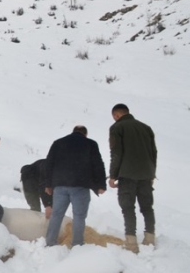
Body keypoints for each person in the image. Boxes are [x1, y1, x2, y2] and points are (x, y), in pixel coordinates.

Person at [43, 125, 107, 247]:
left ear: (73, 132)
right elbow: (98, 164)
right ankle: (77, 244)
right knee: (79, 216)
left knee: (56, 214)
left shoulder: (58, 143)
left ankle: (50, 242)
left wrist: (48, 184)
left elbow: (49, 163)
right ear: (85, 134)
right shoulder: (90, 144)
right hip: (80, 185)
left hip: (60, 185)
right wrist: (101, 184)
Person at [108, 103, 158, 253]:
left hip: (127, 174)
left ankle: (131, 243)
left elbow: (116, 153)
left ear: (116, 115)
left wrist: (113, 175)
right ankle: (150, 239)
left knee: (128, 208)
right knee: (147, 207)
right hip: (145, 174)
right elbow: (153, 152)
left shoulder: (117, 128)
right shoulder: (146, 128)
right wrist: (151, 173)